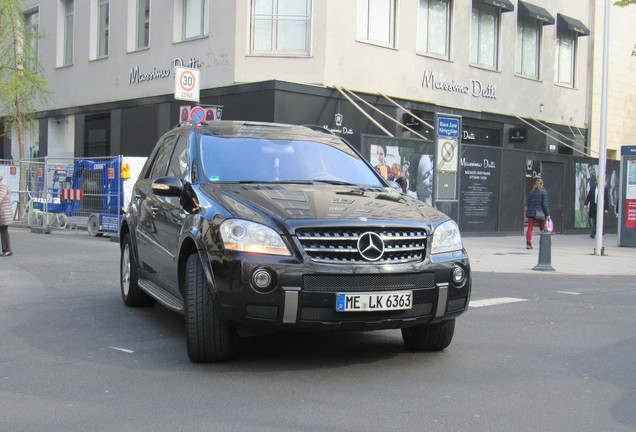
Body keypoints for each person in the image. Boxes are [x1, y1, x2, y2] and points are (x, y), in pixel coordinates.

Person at [525, 178, 551, 250]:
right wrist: (548, 214)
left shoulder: (532, 192)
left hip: (531, 212)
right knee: (542, 228)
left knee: (530, 227)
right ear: (542, 184)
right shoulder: (543, 192)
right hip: (540, 212)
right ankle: (544, 242)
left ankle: (528, 243)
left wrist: (530, 209)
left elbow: (528, 203)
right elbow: (545, 204)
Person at [0, 174, 13, 257]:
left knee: (4, 230)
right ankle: (6, 249)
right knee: (3, 230)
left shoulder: (2, 184)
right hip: (2, 211)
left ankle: (7, 250)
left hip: (3, 212)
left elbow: (1, 196)